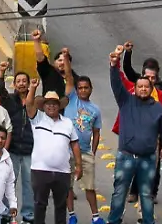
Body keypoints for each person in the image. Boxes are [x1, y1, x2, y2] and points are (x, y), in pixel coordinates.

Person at [105, 45, 162, 224]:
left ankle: (148, 221)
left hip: (148, 159)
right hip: (126, 157)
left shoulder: (158, 108)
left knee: (146, 194)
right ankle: (114, 220)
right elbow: (116, 83)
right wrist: (114, 65)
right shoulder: (125, 100)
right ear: (135, 89)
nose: (143, 89)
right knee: (120, 192)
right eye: (140, 86)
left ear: (151, 88)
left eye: (146, 86)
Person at [28, 91, 81, 224]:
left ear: (59, 106)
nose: (51, 106)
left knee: (61, 205)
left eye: (54, 104)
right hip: (40, 170)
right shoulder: (37, 118)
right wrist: (33, 88)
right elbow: (29, 104)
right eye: (48, 104)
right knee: (40, 204)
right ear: (44, 106)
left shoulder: (67, 122)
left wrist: (79, 165)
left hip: (63, 172)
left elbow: (74, 144)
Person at [0, 68, 38, 223]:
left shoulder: (34, 100)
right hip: (12, 149)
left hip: (29, 149)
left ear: (28, 84)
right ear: (13, 84)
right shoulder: (9, 100)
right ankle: (6, 214)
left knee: (29, 184)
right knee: (8, 183)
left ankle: (28, 216)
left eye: (24, 81)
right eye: (18, 81)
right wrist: (1, 73)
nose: (21, 84)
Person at [66, 75, 104, 224]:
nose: (83, 90)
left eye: (86, 87)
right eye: (80, 88)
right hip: (67, 152)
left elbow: (96, 132)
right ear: (76, 90)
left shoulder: (95, 110)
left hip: (85, 152)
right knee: (67, 186)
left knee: (89, 186)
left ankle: (95, 216)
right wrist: (66, 58)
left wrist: (92, 152)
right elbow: (69, 78)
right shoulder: (72, 100)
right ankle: (72, 215)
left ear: (91, 89)